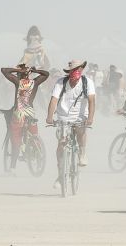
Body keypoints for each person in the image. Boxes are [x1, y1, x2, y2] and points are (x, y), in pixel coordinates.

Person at [46, 60, 95, 188]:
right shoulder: (60, 82)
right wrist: (49, 117)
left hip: (80, 116)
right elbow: (53, 100)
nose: (76, 71)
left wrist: (90, 118)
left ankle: (82, 153)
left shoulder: (87, 82)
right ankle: (60, 176)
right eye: (74, 69)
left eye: (79, 68)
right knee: (62, 144)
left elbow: (91, 101)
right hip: (63, 116)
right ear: (69, 72)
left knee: (81, 131)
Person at [0, 63, 49, 175]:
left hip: (19, 113)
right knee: (34, 135)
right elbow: (46, 74)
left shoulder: (18, 82)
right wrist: (35, 70)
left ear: (19, 74)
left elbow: (4, 70)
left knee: (16, 140)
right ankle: (35, 150)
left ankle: (12, 167)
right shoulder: (34, 82)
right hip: (30, 112)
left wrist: (18, 70)